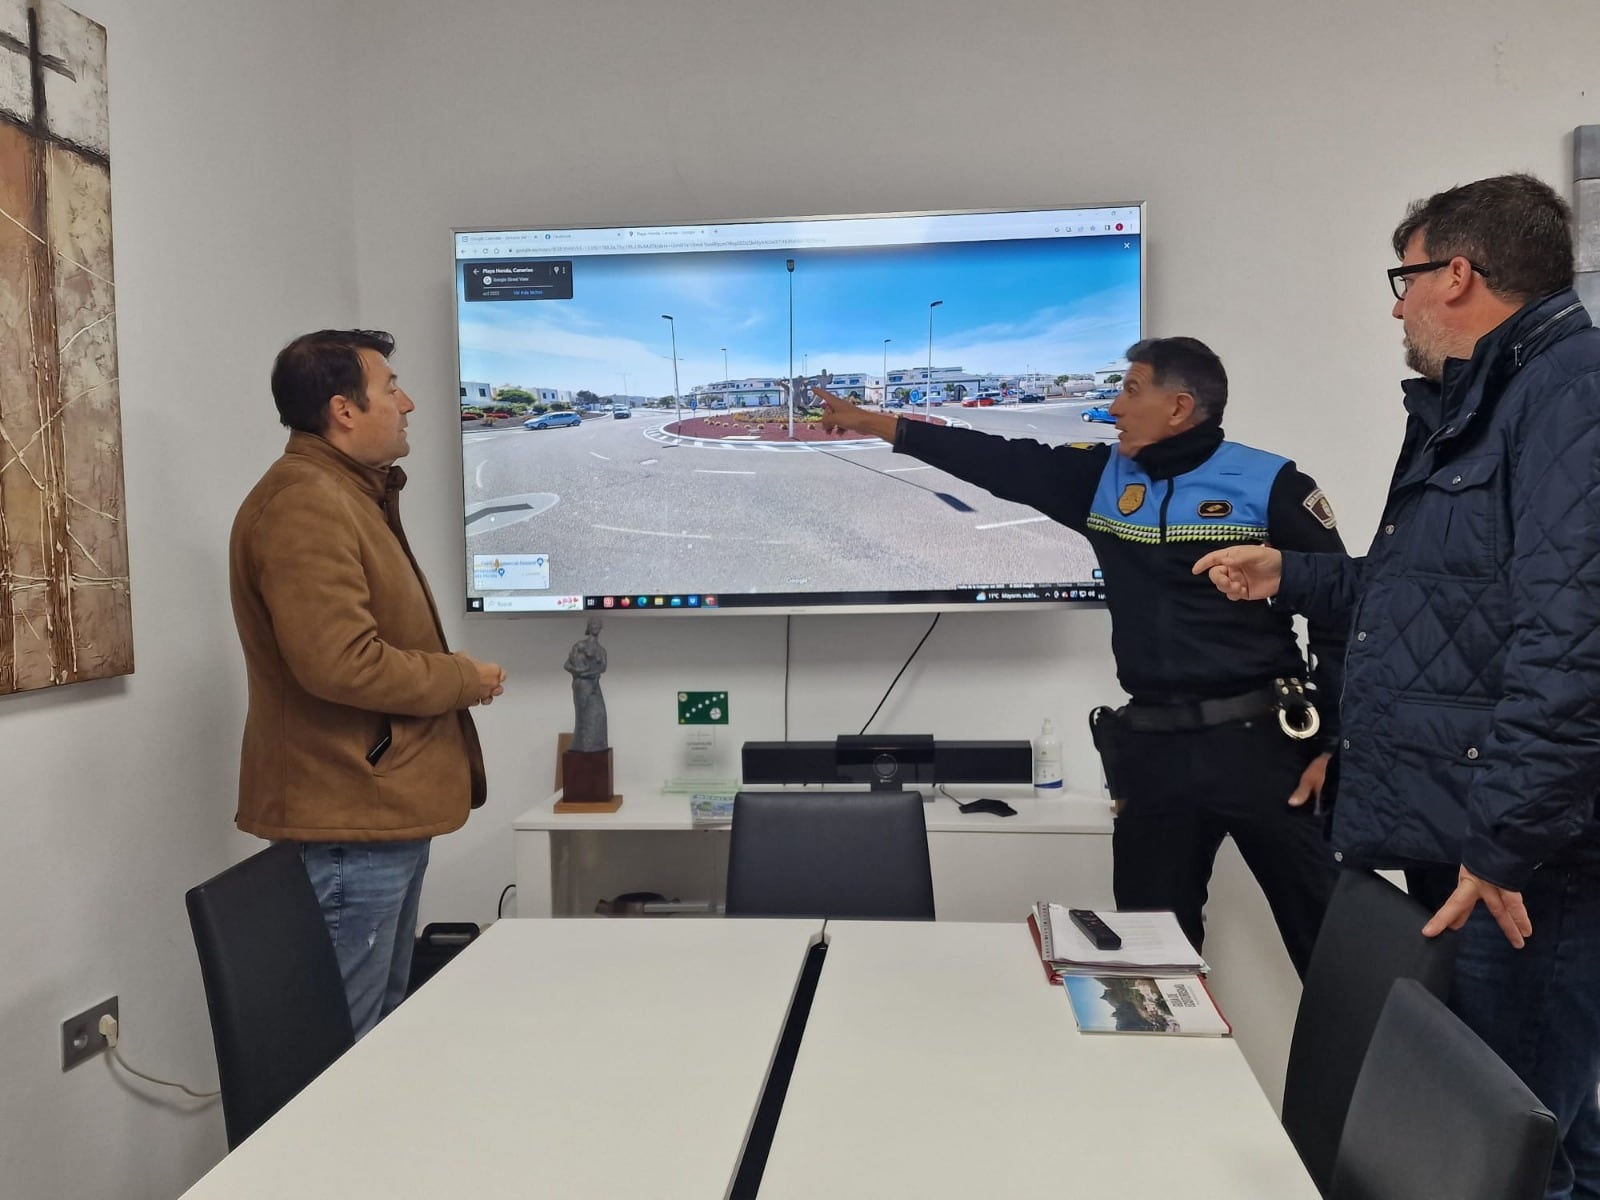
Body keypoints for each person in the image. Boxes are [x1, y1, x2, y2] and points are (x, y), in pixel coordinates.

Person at [1195, 173, 1600, 1199]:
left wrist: (1503, 840)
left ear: (1457, 274)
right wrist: (1297, 574)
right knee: (1521, 1126)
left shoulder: (1570, 391)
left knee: (1504, 1151)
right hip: (1473, 832)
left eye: (1405, 277)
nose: (1396, 304)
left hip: (1521, 860)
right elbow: (1440, 596)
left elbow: (1575, 638)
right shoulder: (1490, 399)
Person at [815, 336, 1347, 977]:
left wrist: (1334, 743)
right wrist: (876, 424)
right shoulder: (1102, 478)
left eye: (1130, 390)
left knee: (1336, 953)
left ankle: (1376, 1075)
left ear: (1179, 406)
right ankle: (1160, 1078)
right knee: (1151, 968)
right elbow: (996, 459)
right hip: (1155, 757)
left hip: (1267, 749)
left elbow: (1344, 612)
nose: (1115, 406)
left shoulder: (1273, 483)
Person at [229, 329, 507, 1038]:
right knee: (344, 1047)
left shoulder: (346, 492)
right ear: (343, 410)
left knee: (378, 1030)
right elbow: (339, 662)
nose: (408, 402)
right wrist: (461, 679)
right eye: (390, 388)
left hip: (372, 811)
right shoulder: (307, 503)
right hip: (348, 819)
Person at [565, 615, 608, 752]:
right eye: (593, 624)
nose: (595, 626)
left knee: (599, 714)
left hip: (594, 684)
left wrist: (589, 673)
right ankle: (583, 745)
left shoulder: (602, 650)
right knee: (583, 716)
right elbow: (567, 665)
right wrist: (580, 671)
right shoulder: (580, 646)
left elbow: (603, 668)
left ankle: (596, 745)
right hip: (582, 685)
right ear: (588, 627)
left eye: (597, 624)